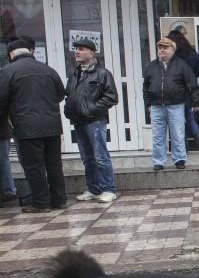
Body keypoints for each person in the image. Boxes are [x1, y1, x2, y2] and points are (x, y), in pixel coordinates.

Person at [0, 37, 67, 213]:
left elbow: (2, 100)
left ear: (12, 53)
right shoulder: (49, 70)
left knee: (34, 166)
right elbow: (61, 94)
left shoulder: (7, 72)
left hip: (26, 128)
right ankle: (59, 199)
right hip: (52, 126)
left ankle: (41, 203)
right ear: (29, 52)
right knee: (54, 164)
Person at [64, 38, 119, 203]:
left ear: (91, 53)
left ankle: (109, 189)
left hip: (95, 121)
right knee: (87, 158)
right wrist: (69, 109)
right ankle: (94, 189)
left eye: (81, 49)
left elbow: (111, 97)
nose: (77, 52)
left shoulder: (102, 73)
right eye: (76, 49)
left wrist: (90, 109)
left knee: (100, 156)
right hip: (78, 121)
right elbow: (69, 94)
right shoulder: (75, 73)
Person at [143, 37, 199, 171]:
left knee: (178, 134)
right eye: (160, 47)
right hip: (157, 105)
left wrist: (196, 101)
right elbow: (146, 87)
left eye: (165, 47)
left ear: (173, 50)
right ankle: (158, 161)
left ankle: (180, 159)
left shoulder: (181, 65)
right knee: (158, 135)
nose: (162, 50)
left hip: (176, 105)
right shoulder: (151, 66)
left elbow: (193, 84)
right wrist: (148, 105)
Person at [167, 29, 199, 152]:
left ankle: (184, 148)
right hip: (190, 91)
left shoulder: (173, 56)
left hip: (175, 91)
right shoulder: (192, 53)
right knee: (190, 118)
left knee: (178, 122)